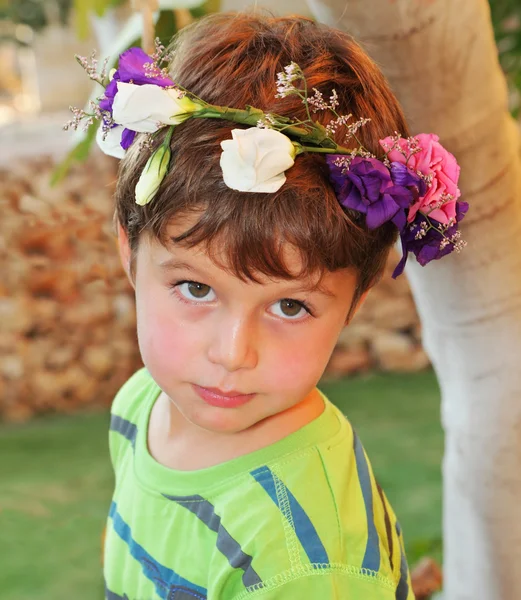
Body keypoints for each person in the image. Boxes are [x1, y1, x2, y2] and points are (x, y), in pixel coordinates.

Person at [67, 10, 466, 600]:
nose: (232, 354)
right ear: (130, 252)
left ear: (356, 297)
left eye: (290, 307)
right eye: (196, 289)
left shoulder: (301, 560)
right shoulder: (141, 407)